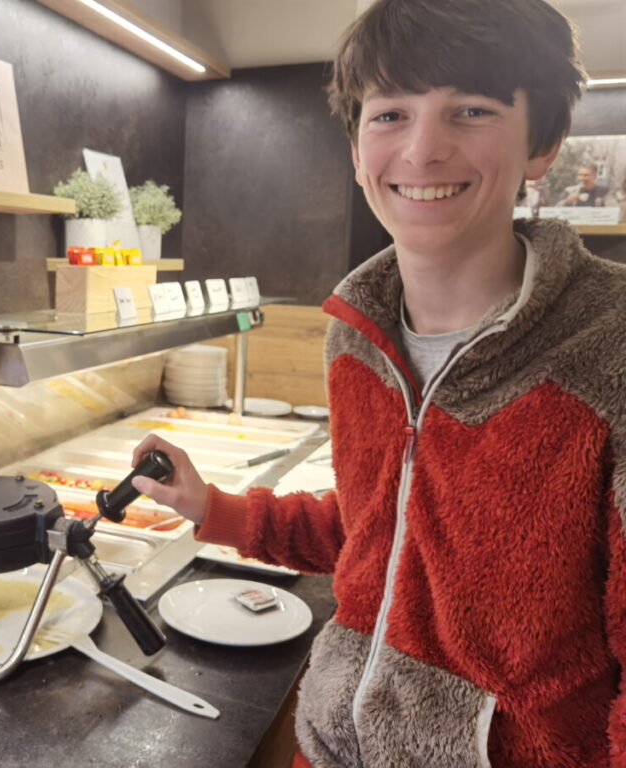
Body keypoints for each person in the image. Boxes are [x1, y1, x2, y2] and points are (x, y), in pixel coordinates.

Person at [131, 0, 626, 765]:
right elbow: (380, 531)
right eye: (390, 113)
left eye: (471, 109)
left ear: (545, 143)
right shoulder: (356, 335)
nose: (423, 151)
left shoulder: (610, 346)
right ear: (358, 148)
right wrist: (213, 509)